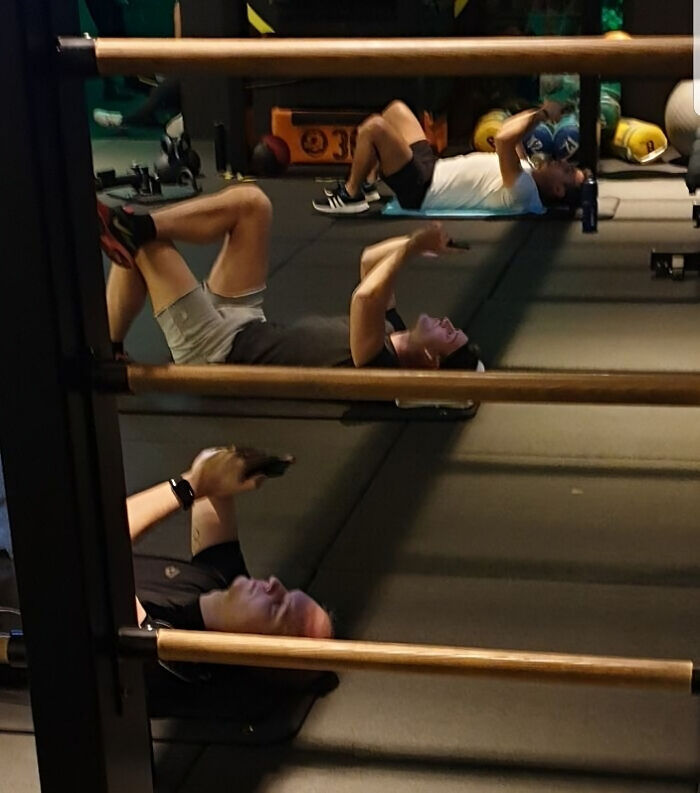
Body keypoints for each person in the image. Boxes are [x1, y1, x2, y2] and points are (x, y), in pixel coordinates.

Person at [97, 185, 483, 370]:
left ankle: (108, 348)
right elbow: (370, 262)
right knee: (253, 205)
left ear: (432, 361)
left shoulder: (379, 365)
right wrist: (424, 244)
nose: (449, 322)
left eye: (450, 335)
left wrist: (414, 246)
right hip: (247, 321)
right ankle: (134, 224)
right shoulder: (394, 328)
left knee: (148, 248)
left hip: (215, 351)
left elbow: (364, 297)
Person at [130, 442, 332, 639]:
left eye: (277, 607)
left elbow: (102, 545)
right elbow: (214, 490)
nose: (275, 583)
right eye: (286, 592)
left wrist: (189, 486)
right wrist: (230, 469)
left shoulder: (164, 640)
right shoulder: (223, 585)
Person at [312, 99, 584, 216]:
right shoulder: (524, 167)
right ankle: (368, 183)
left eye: (568, 172)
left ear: (558, 190)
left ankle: (351, 194)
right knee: (396, 110)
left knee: (373, 128)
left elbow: (503, 140)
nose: (563, 163)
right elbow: (508, 127)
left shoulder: (525, 191)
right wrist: (542, 110)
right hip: (433, 168)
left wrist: (543, 115)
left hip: (423, 189)